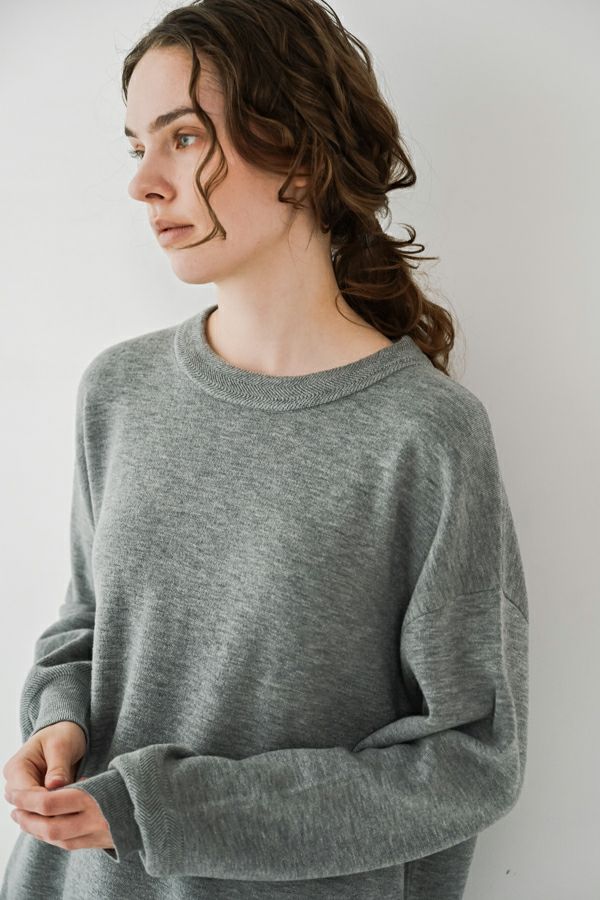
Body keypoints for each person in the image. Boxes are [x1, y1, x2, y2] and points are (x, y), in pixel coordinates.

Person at [1, 1, 529, 898]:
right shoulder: (120, 391)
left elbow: (471, 759)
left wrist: (166, 810)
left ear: (301, 150)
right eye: (137, 146)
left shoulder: (423, 433)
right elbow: (86, 629)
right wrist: (59, 724)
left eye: (183, 138)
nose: (144, 183)